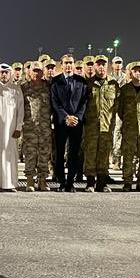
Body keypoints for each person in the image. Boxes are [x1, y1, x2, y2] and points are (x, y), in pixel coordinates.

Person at [50, 54, 88, 192]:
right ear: (61, 65)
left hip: (76, 123)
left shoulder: (81, 81)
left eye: (71, 63)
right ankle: (61, 182)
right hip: (61, 123)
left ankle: (70, 182)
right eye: (66, 63)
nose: (68, 65)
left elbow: (84, 101)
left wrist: (77, 117)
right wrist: (66, 117)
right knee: (59, 154)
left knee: (74, 153)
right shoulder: (55, 81)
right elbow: (55, 102)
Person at [0, 64, 24, 191]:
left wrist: (18, 128)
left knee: (10, 155)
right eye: (1, 72)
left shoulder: (16, 89)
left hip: (11, 130)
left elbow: (20, 110)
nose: (4, 74)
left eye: (6, 72)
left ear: (10, 74)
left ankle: (10, 183)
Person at [82, 55, 119, 192]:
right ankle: (90, 183)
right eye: (99, 64)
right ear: (95, 66)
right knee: (90, 154)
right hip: (91, 126)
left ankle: (102, 183)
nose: (101, 67)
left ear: (107, 66)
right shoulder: (87, 84)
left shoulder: (113, 84)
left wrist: (112, 122)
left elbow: (118, 105)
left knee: (104, 154)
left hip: (106, 126)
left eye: (104, 64)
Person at [117, 62, 140, 192]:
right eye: (135, 71)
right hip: (129, 128)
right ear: (130, 73)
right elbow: (120, 110)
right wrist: (129, 121)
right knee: (128, 156)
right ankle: (127, 182)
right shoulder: (124, 89)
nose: (138, 73)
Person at [21, 62, 52, 192]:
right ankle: (29, 180)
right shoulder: (23, 88)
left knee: (44, 155)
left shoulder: (48, 87)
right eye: (34, 70)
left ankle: (42, 180)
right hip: (29, 128)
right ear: (29, 72)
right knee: (30, 154)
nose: (36, 73)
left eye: (39, 70)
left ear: (43, 72)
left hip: (45, 128)